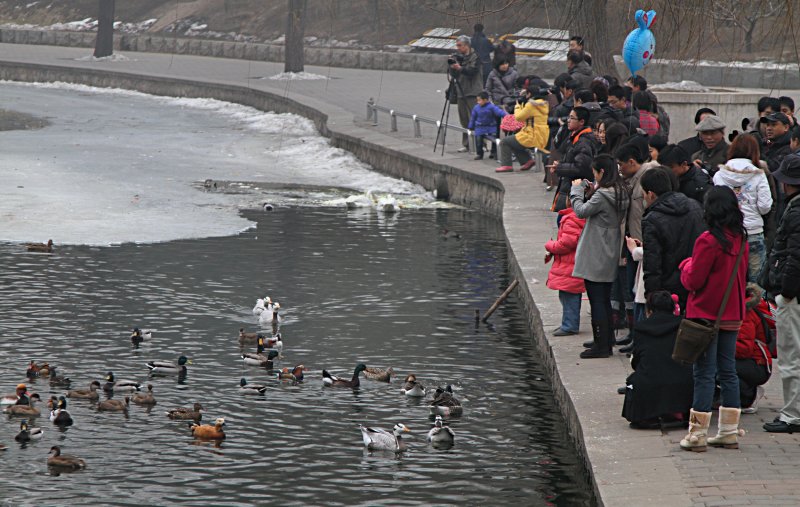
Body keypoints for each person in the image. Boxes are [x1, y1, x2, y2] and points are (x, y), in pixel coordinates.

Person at [679, 185, 748, 451]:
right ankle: (729, 430)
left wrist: (686, 266)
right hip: (732, 313)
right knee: (728, 371)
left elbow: (694, 280)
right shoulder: (740, 238)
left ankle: (697, 434)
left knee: (704, 373)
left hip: (706, 314)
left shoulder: (708, 240)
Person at [570, 154, 630, 358]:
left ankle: (601, 346)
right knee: (604, 298)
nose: (593, 176)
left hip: (596, 249)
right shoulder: (621, 190)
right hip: (610, 247)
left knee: (597, 300)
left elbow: (580, 211)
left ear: (601, 172)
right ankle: (605, 340)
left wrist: (576, 190)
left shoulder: (603, 194)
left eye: (595, 172)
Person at [762, 154, 800, 433]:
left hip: (794, 296)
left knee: (791, 356)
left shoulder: (796, 211)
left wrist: (785, 292)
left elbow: (794, 257)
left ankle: (792, 415)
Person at [622, 291, 694, 429]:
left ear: (649, 309)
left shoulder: (641, 327)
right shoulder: (683, 324)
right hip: (683, 382)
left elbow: (637, 360)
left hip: (650, 382)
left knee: (633, 381)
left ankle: (647, 417)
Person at [640, 167, 706, 309]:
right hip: (697, 280)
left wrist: (652, 297)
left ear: (650, 194)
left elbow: (652, 263)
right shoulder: (695, 206)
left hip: (669, 289)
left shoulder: (652, 219)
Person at [713, 134, 773, 282]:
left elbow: (716, 205)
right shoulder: (758, 174)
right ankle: (756, 306)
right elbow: (765, 206)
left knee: (729, 279)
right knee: (756, 283)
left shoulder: (719, 175)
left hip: (727, 233)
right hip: (753, 231)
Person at [545, 198, 586, 336]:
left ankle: (570, 325)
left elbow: (566, 244)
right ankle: (567, 323)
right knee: (568, 294)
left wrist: (550, 245)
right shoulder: (574, 217)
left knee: (569, 295)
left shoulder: (571, 220)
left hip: (570, 265)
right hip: (572, 264)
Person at [549, 106, 597, 211]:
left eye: (572, 118)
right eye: (568, 118)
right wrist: (560, 164)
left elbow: (581, 168)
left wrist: (560, 167)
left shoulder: (583, 141)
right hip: (570, 187)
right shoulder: (575, 137)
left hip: (577, 191)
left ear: (581, 121)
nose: (568, 121)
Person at [736, 283, 773, 413]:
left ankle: (749, 396)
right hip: (755, 362)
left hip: (758, 364)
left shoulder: (745, 312)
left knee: (721, 366)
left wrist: (720, 345)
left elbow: (745, 349)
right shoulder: (742, 308)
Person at [495, 86, 549, 172]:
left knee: (505, 142)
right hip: (541, 134)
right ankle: (527, 161)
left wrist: (517, 106)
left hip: (532, 135)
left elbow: (519, 117)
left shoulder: (531, 105)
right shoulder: (542, 104)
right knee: (514, 141)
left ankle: (506, 165)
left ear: (529, 94)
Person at [448, 35, 484, 153]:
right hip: (460, 91)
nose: (458, 48)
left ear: (467, 45)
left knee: (476, 119)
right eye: (457, 45)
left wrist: (460, 68)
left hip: (473, 92)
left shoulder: (475, 57)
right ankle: (467, 144)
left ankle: (481, 144)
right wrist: (452, 67)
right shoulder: (458, 57)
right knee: (464, 120)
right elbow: (454, 75)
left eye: (460, 46)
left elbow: (472, 72)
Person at [468, 91, 506, 160]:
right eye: (477, 100)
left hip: (491, 126)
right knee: (478, 141)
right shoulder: (476, 108)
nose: (478, 102)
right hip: (480, 127)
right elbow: (472, 118)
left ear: (485, 100)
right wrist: (471, 126)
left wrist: (507, 116)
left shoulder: (491, 107)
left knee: (494, 140)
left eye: (479, 100)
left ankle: (494, 152)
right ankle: (479, 154)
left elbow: (499, 112)